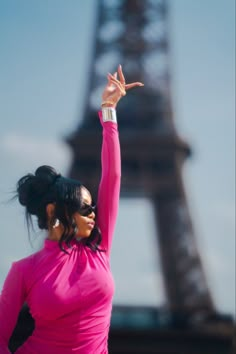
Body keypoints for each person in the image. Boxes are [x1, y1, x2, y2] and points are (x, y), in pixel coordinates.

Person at [0, 65, 144, 354]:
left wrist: (108, 112)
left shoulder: (99, 249)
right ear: (55, 210)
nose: (94, 212)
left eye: (93, 206)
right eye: (84, 206)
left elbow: (112, 178)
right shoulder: (24, 271)